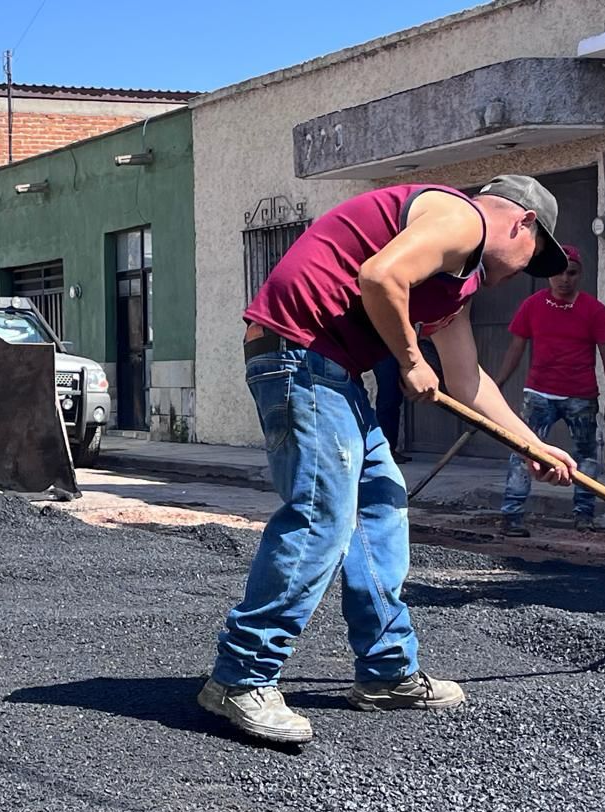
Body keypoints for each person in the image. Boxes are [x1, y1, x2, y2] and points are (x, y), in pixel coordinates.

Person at [197, 175, 578, 745]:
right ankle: (241, 676)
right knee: (321, 516)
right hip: (300, 357)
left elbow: (468, 382)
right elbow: (379, 276)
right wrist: (410, 359)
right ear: (521, 222)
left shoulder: (454, 282)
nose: (525, 272)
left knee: (381, 508)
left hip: (334, 374)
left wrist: (531, 446)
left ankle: (386, 671)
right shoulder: (461, 219)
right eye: (533, 256)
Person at [495, 245, 605, 537]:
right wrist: (497, 383)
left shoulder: (594, 309)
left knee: (586, 456)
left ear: (580, 274)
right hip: (539, 394)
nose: (564, 279)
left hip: (581, 396)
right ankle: (511, 515)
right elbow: (516, 348)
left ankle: (584, 515)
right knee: (523, 452)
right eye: (558, 273)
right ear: (548, 274)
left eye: (571, 273)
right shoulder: (532, 305)